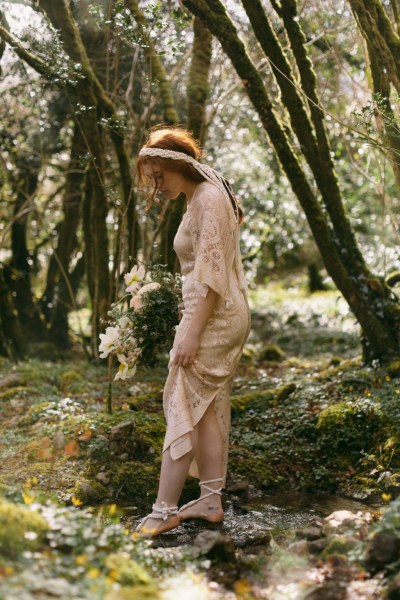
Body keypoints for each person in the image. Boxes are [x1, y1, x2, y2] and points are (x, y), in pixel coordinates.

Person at [136, 126, 251, 536]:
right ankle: (209, 499)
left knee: (182, 402)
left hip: (214, 318)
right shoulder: (200, 198)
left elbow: (212, 276)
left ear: (176, 164)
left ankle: (165, 508)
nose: (156, 185)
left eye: (159, 176)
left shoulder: (208, 199)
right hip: (211, 314)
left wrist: (191, 332)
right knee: (205, 409)